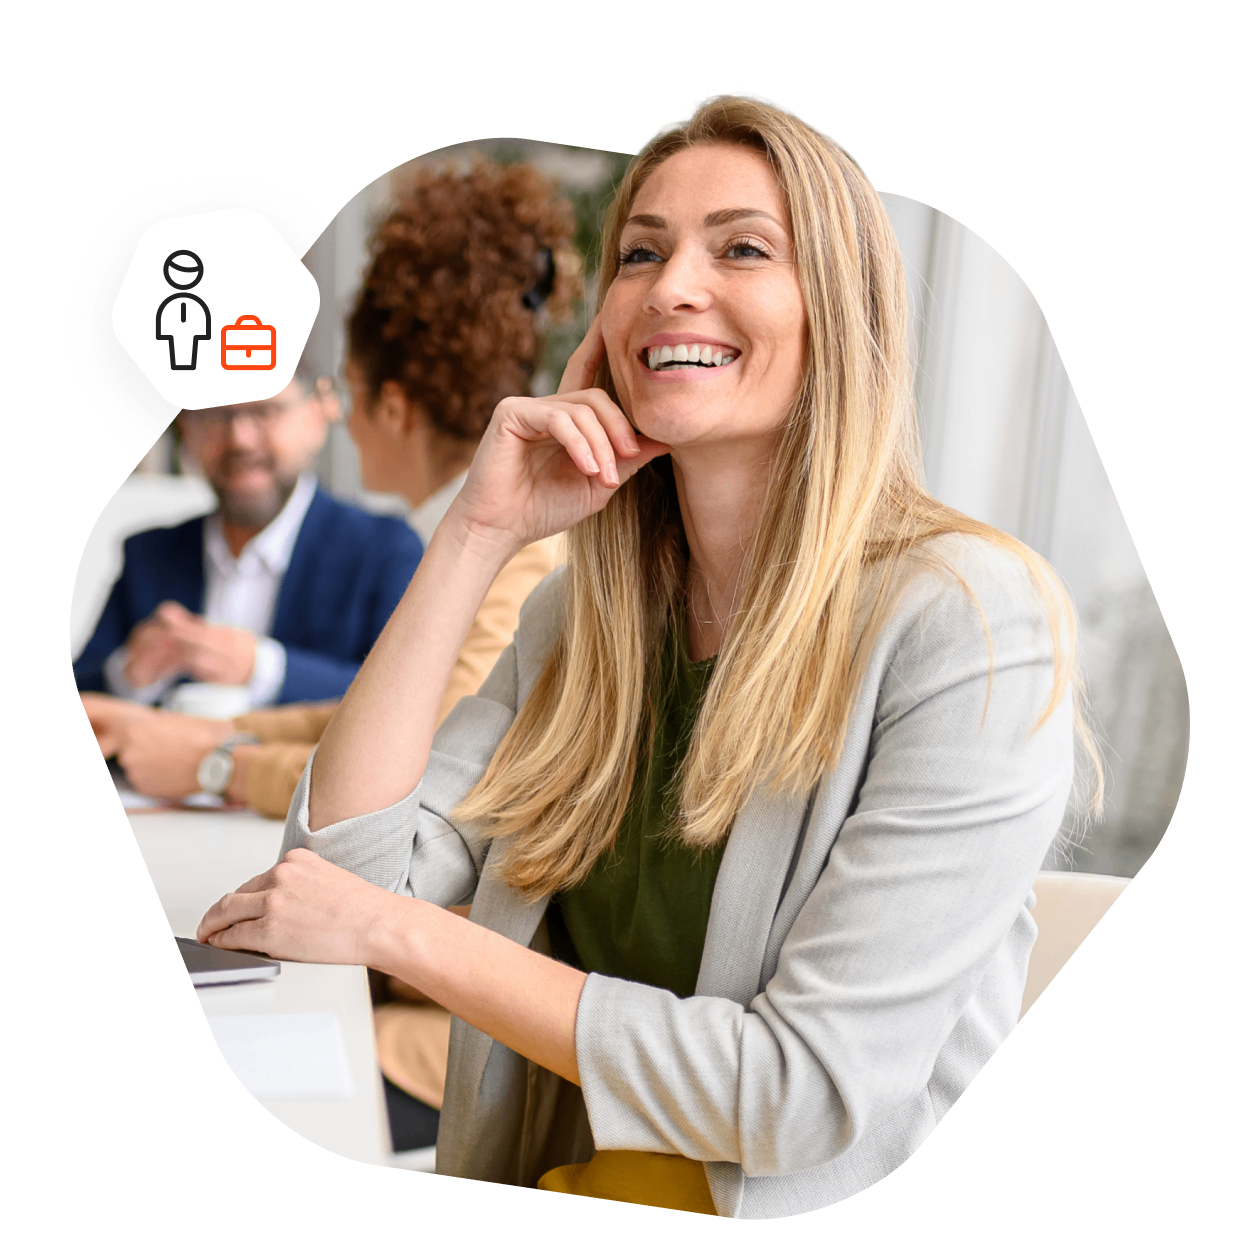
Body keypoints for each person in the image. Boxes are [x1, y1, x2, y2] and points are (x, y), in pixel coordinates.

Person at [195, 94, 1101, 1218]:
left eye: (743, 248)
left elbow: (801, 1092)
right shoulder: (582, 623)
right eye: (640, 252)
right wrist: (479, 532)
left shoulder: (970, 624)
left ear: (843, 313)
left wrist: (396, 933)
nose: (673, 284)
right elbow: (337, 872)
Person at [74, 361, 425, 708]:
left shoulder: (384, 550)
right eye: (216, 414)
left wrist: (260, 667)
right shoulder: (147, 554)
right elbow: (86, 681)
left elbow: (404, 698)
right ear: (188, 431)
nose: (240, 438)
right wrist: (127, 672)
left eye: (265, 411)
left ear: (315, 419)